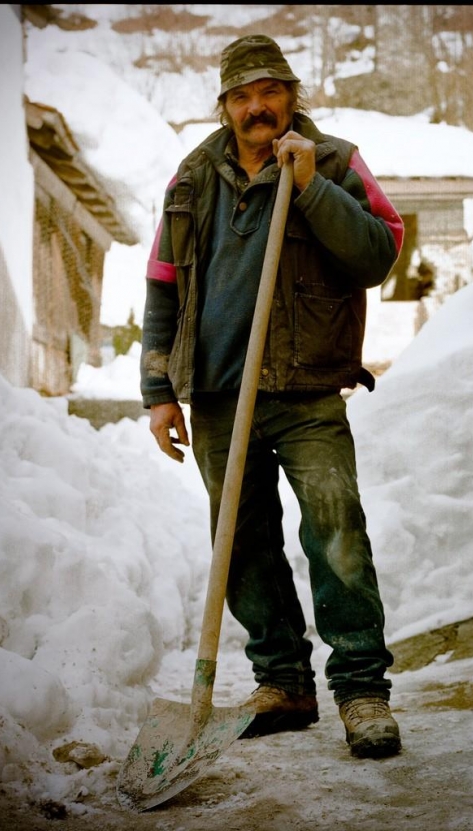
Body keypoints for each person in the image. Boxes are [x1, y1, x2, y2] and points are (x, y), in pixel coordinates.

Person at [140, 34, 404, 759]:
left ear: (291, 94)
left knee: (334, 530)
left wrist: (312, 185)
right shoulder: (191, 179)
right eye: (240, 94)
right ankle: (283, 682)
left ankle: (361, 690)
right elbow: (162, 287)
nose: (257, 106)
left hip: (308, 385)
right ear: (223, 105)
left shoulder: (336, 161)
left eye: (269, 90)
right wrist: (158, 390)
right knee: (243, 544)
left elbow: (379, 253)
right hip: (219, 392)